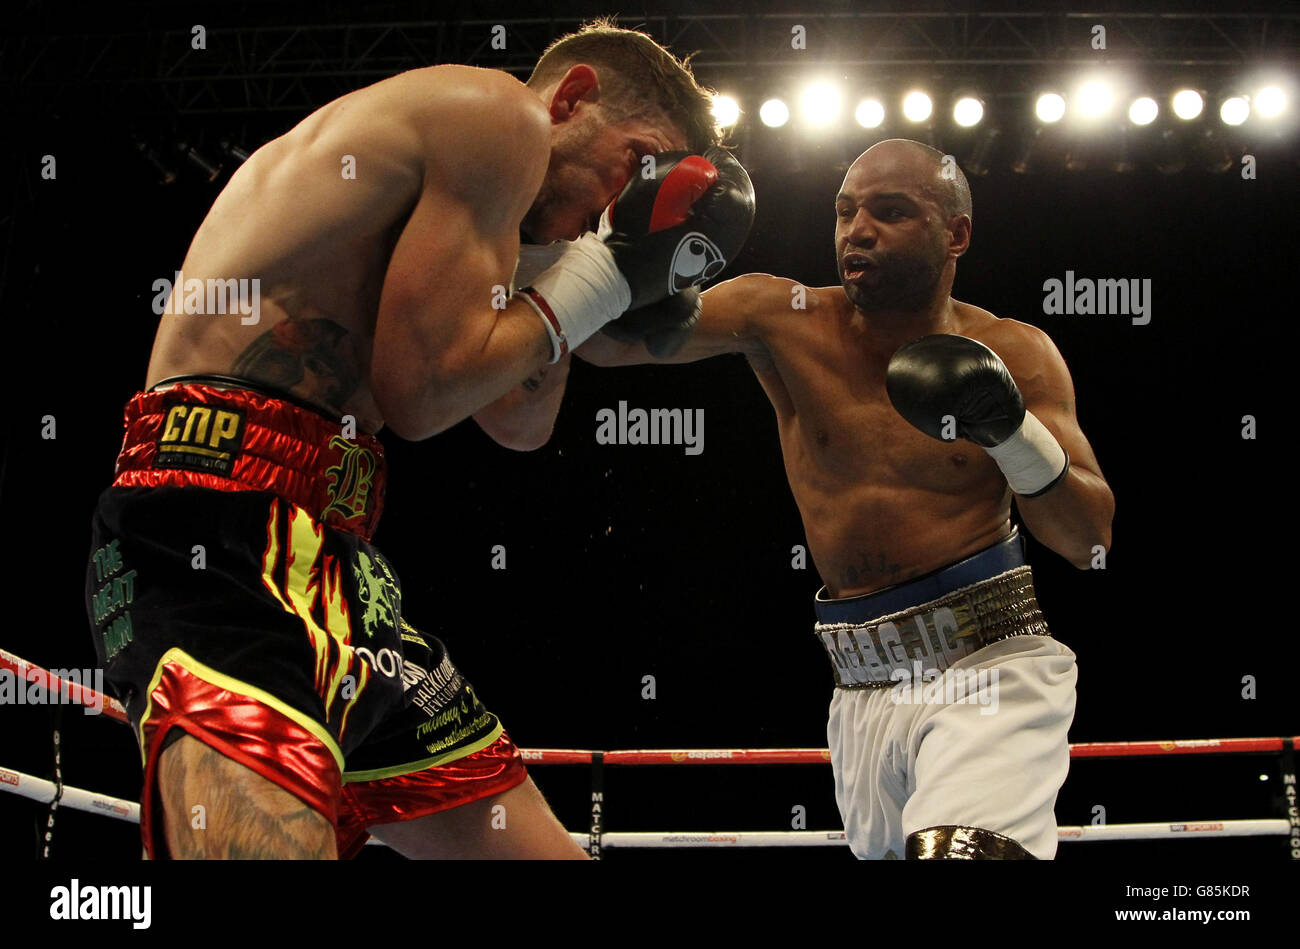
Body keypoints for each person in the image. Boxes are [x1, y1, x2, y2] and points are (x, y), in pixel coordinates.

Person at [83, 19, 754, 860]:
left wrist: (592, 274)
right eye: (638, 164)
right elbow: (425, 390)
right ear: (574, 97)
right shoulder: (496, 115)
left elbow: (517, 423)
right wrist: (608, 275)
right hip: (211, 523)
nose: (630, 202)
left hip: (333, 557)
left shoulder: (511, 228)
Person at [579, 139, 1114, 859]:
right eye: (844, 211)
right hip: (857, 684)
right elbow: (605, 344)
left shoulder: (1016, 352)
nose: (857, 229)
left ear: (955, 234)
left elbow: (1090, 541)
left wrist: (1010, 430)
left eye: (890, 212)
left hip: (987, 666)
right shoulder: (779, 316)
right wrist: (615, 248)